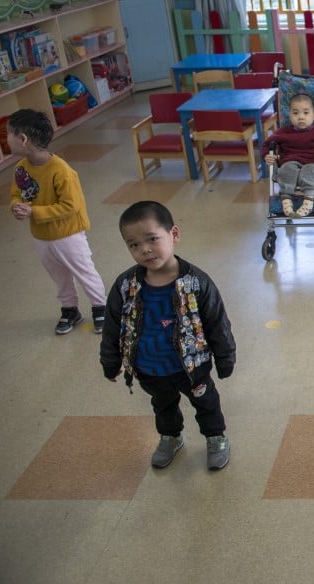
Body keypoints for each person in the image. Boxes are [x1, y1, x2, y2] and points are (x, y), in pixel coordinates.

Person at [99, 201, 236, 470]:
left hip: (191, 367)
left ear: (174, 234)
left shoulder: (197, 282)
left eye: (152, 239)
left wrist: (225, 358)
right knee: (162, 406)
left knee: (206, 403)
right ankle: (171, 437)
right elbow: (113, 326)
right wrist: (110, 361)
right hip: (149, 367)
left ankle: (216, 437)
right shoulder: (126, 285)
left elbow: (217, 323)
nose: (145, 249)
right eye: (134, 244)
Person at [6, 108, 108, 335]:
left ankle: (101, 307)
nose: (6, 138)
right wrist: (16, 206)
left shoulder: (61, 170)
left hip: (68, 234)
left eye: (9, 133)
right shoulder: (20, 169)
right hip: (42, 236)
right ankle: (70, 310)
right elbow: (16, 195)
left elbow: (70, 206)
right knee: (59, 276)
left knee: (84, 271)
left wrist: (34, 211)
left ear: (23, 139)